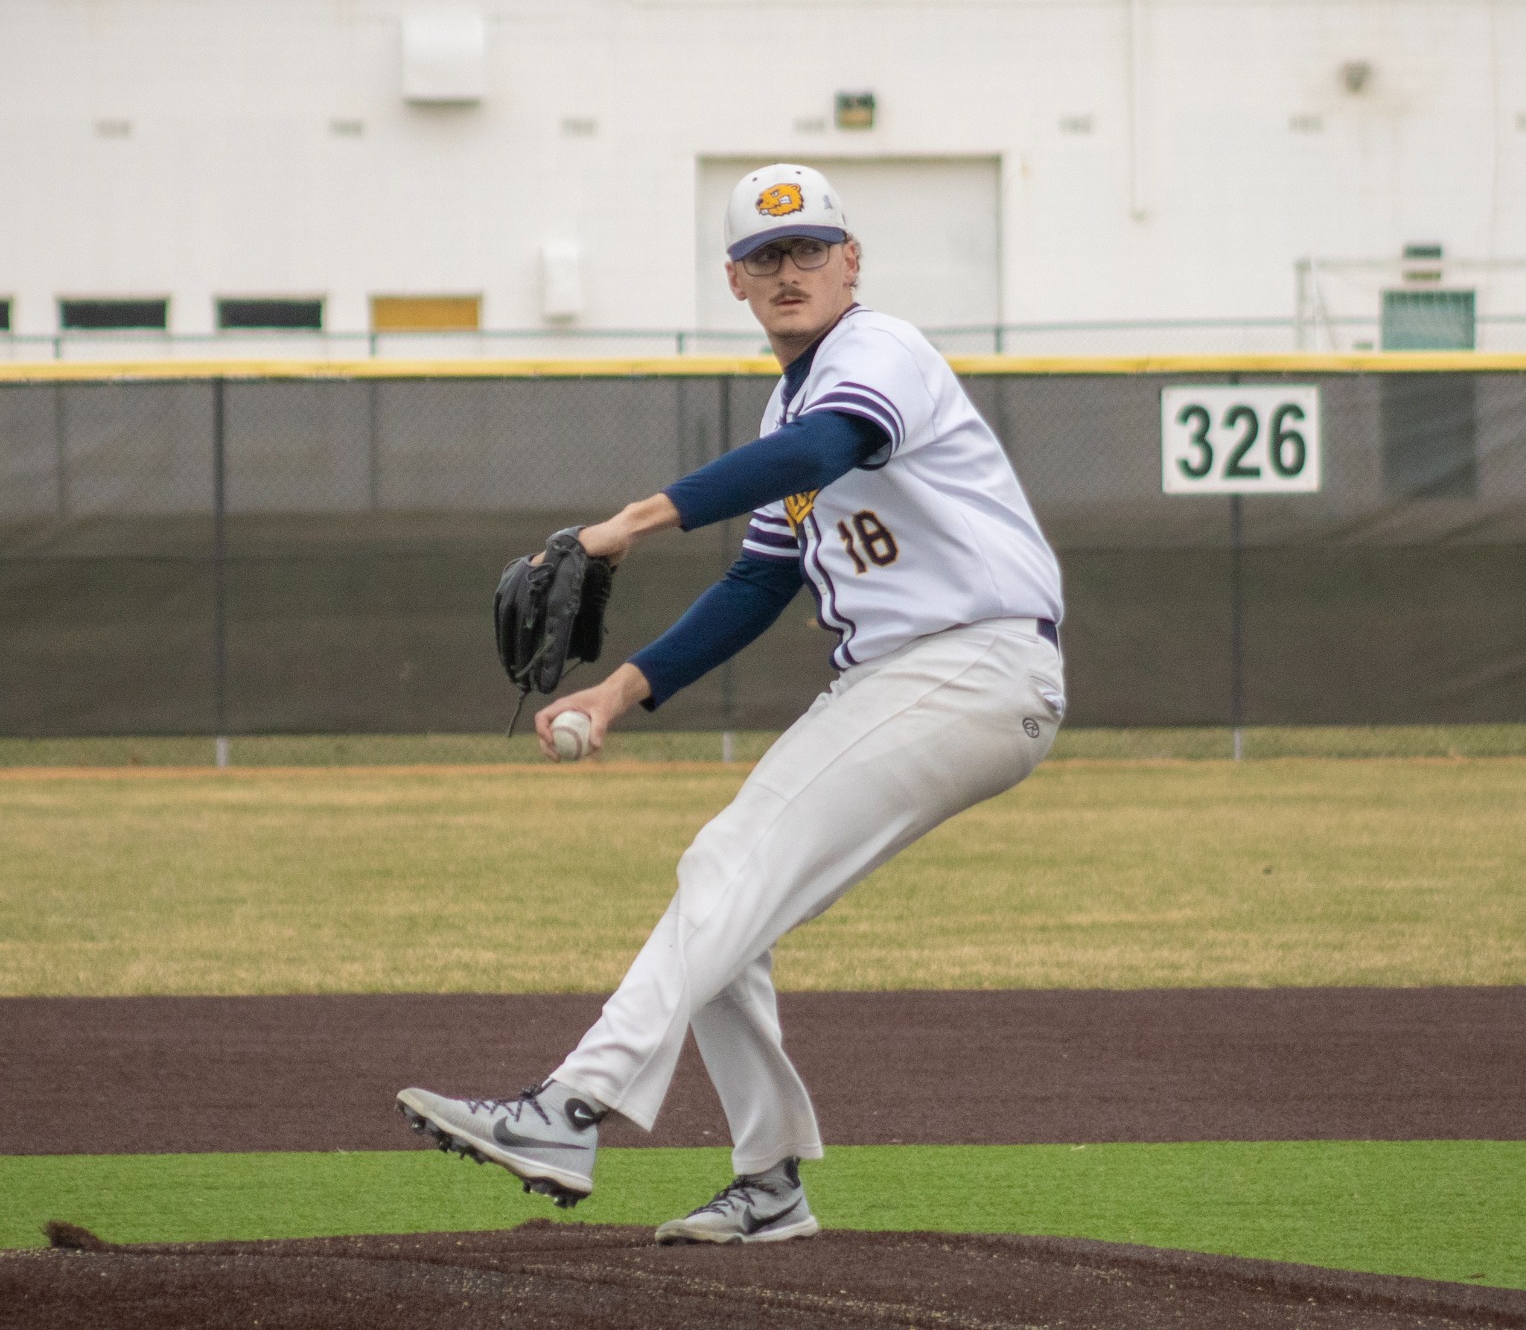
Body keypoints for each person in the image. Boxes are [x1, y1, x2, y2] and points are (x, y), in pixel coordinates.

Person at [397, 163, 1066, 1245]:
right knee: (724, 903)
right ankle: (768, 1183)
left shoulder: (875, 351)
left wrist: (627, 522)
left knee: (723, 869)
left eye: (809, 249)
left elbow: (821, 450)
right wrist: (617, 691)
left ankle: (568, 1108)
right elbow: (759, 581)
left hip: (968, 664)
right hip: (916, 681)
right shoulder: (786, 397)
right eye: (765, 257)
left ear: (852, 262)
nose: (789, 270)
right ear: (735, 282)